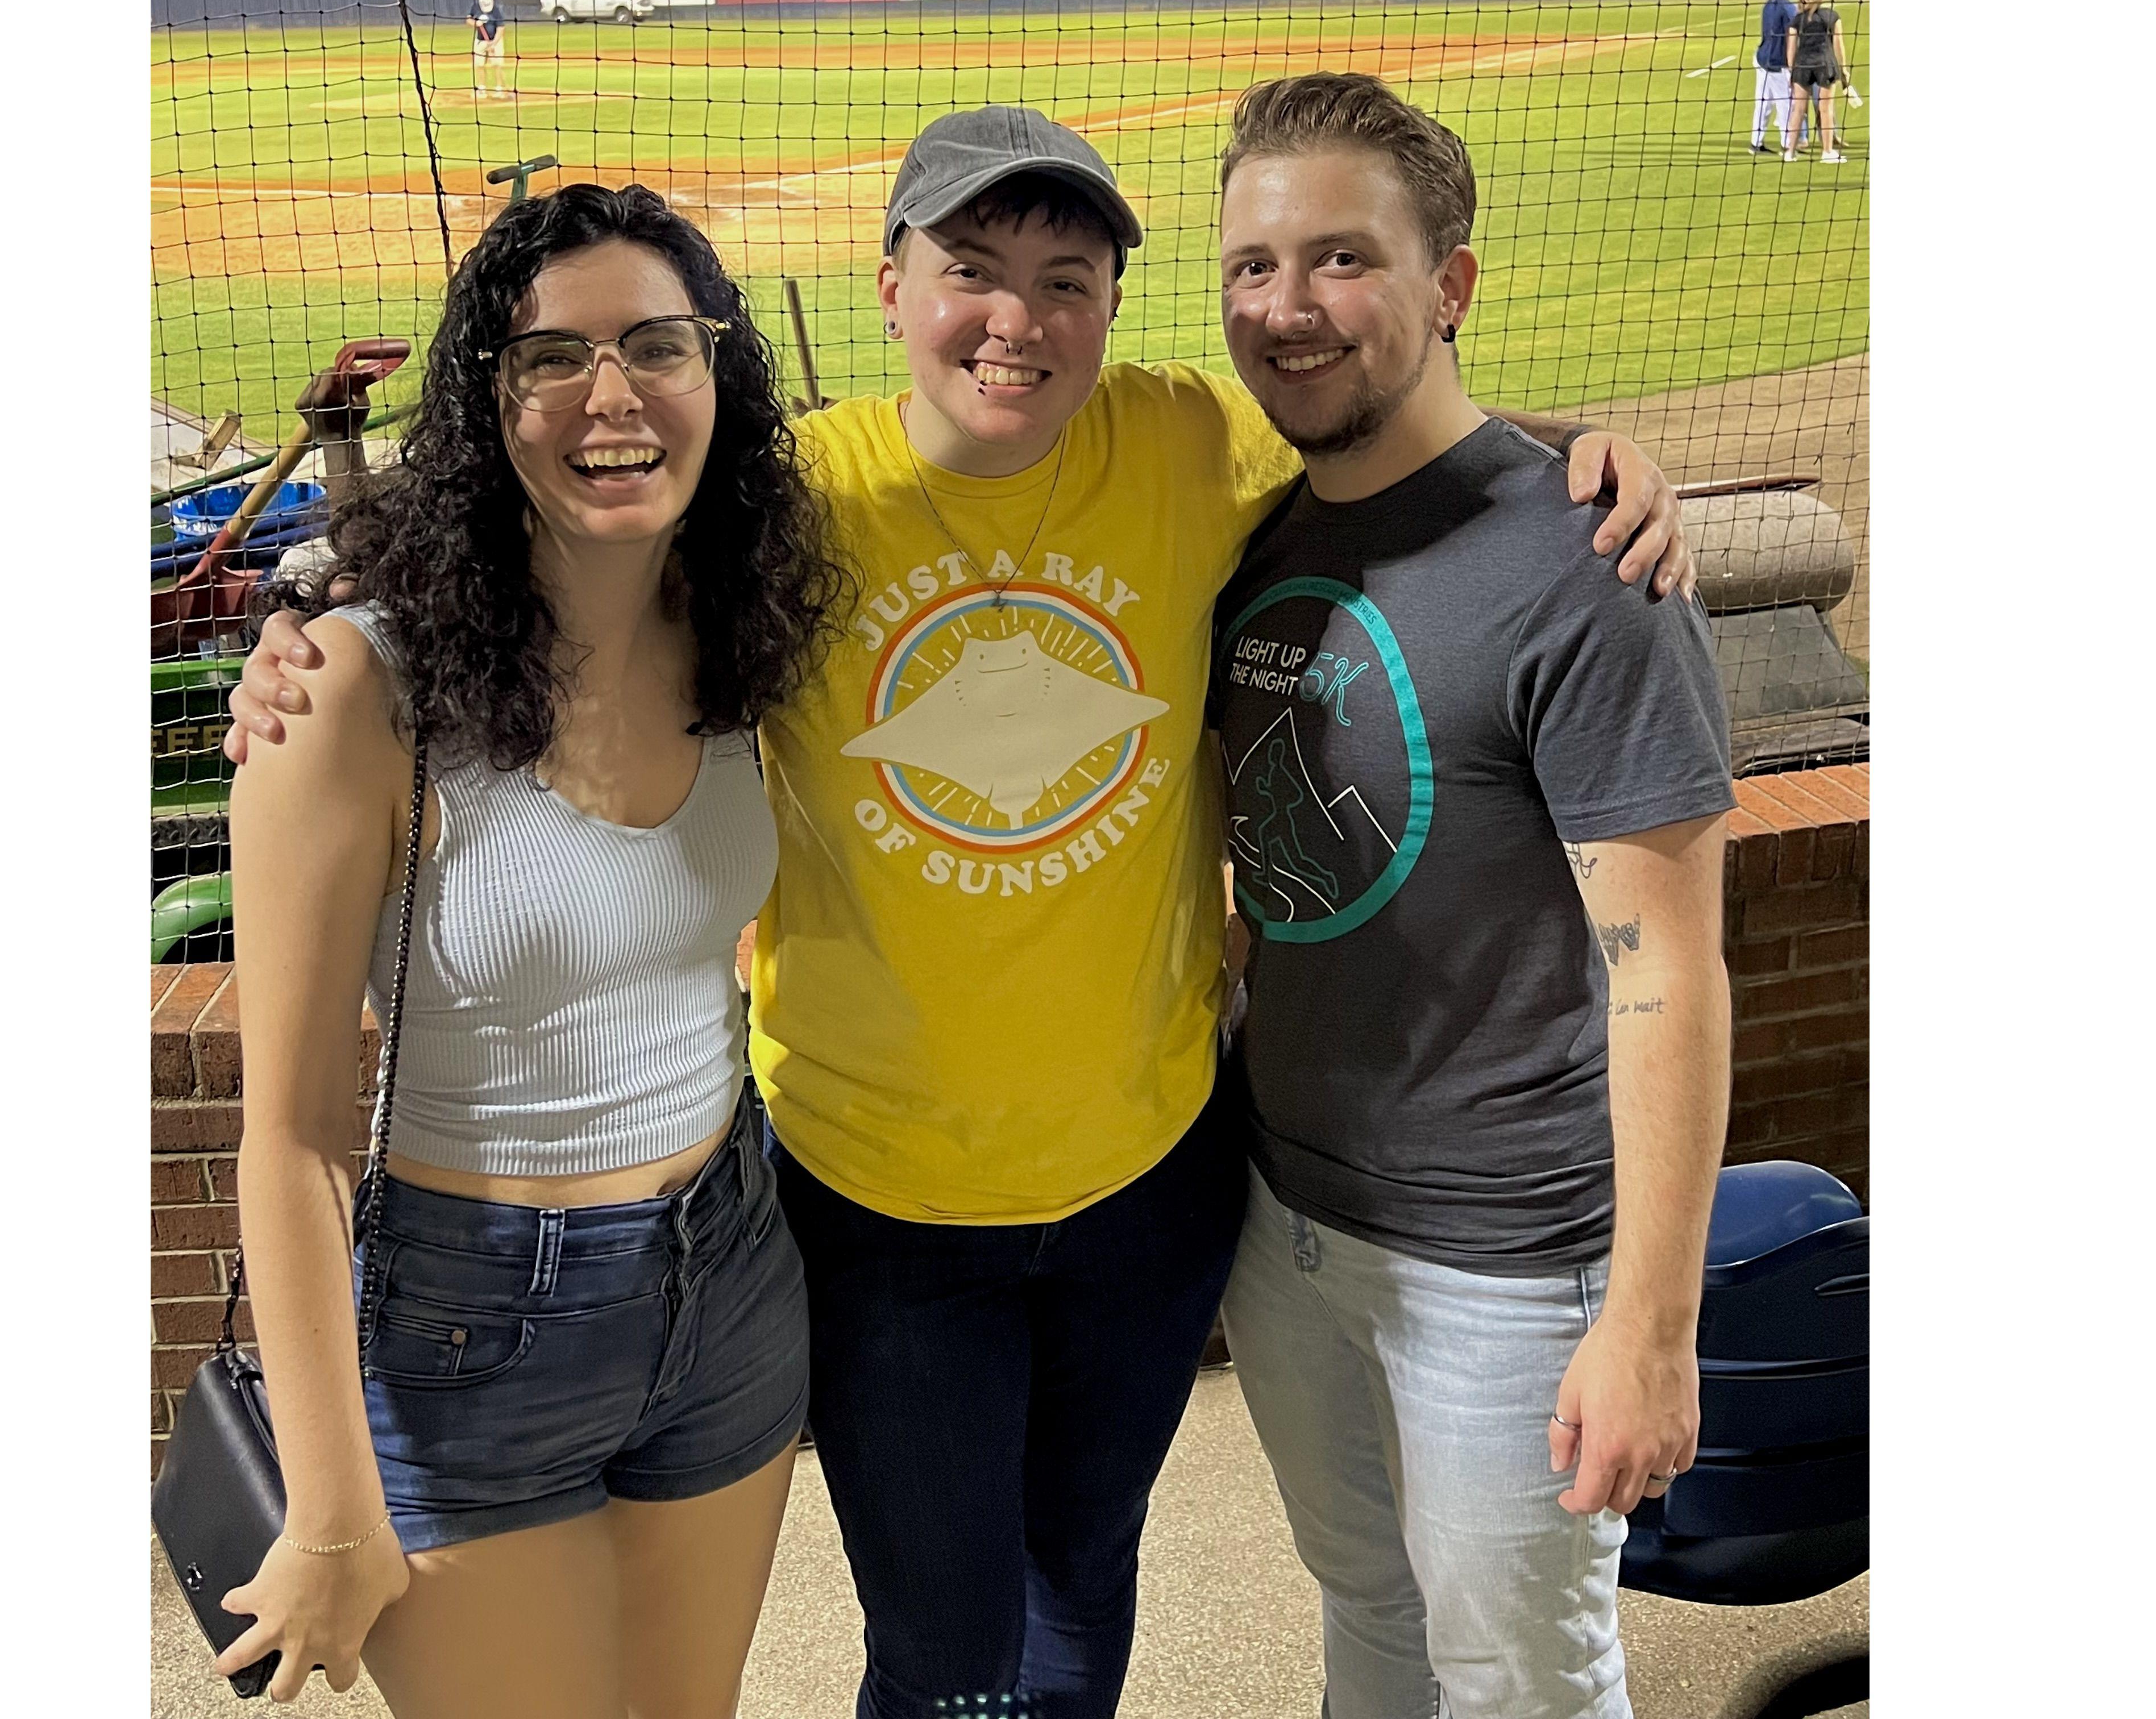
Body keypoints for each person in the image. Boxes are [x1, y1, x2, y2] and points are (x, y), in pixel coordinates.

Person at [225, 109, 1694, 1719]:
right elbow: (559, 523)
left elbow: (1389, 406)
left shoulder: (1194, 445)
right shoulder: (787, 505)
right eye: (971, 272)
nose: (1018, 319)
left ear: (1116, 313)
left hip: (1152, 1177)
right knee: (941, 1653)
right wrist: (316, 625)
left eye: (1067, 279)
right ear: (888, 287)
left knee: (1083, 1595)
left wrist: (1586, 459)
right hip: (878, 1203)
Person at [215, 184, 845, 1713]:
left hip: (732, 1267)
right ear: (487, 405)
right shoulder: (348, 693)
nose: (609, 395)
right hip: (469, 1320)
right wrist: (329, 1504)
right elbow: (290, 1138)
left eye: (655, 345)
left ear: (719, 378)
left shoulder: (752, 627)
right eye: (549, 356)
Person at [1207, 74, 1735, 1719]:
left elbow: (1668, 969)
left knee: (1523, 1677)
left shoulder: (1591, 569)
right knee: (1371, 1613)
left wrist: (1649, 1325)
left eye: (1343, 260)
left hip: (1512, 1267)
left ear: (1452, 285)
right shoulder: (1251, 533)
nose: (1289, 309)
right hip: (1287, 1223)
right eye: (1252, 265)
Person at [1781, 0, 1851, 163]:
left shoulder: (1797, 20)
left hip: (1802, 66)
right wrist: (1844, 70)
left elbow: (1791, 50)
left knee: (1798, 110)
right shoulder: (1832, 17)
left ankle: (1790, 152)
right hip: (1825, 65)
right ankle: (1827, 152)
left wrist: (1792, 71)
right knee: (1825, 109)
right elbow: (1839, 46)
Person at [1750, 0, 1798, 152]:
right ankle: (1788, 144)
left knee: (1763, 103)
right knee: (1787, 104)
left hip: (1763, 58)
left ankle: (1756, 142)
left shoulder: (1769, 4)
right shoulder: (1789, 8)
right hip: (1779, 62)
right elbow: (1792, 38)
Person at [467, 0, 506, 101]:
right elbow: (468, 19)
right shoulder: (475, 7)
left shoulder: (497, 11)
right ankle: (482, 89)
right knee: (479, 65)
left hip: (495, 41)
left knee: (497, 65)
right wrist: (475, 23)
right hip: (481, 41)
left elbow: (501, 29)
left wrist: (493, 44)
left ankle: (499, 89)